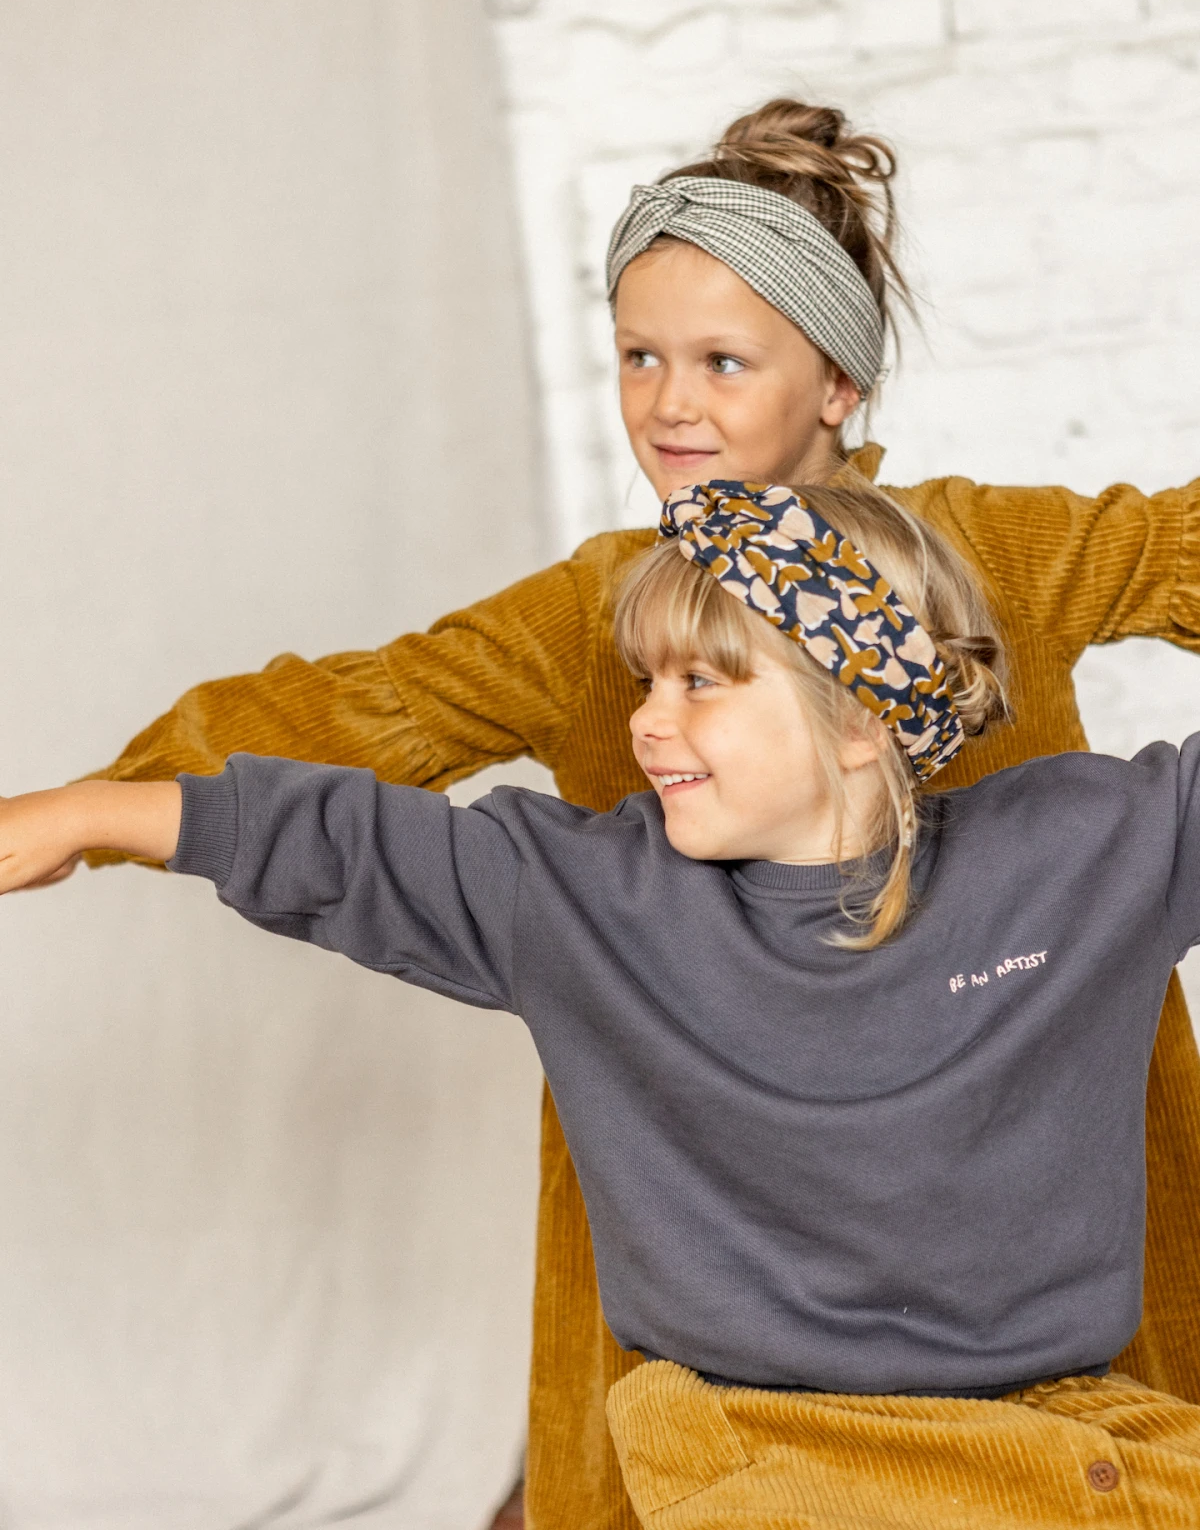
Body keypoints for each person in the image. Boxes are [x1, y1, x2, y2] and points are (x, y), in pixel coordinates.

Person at [60, 99, 1200, 1529]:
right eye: (639, 357)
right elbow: (368, 709)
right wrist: (111, 804)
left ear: (838, 381)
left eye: (723, 361)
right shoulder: (592, 608)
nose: (669, 405)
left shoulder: (1000, 552)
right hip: (715, 1165)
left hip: (1023, 1142)